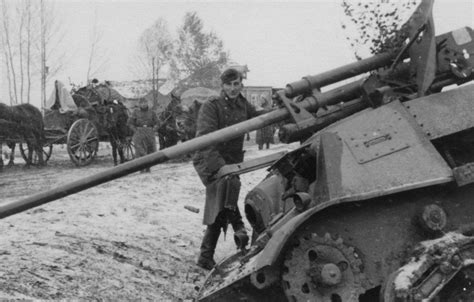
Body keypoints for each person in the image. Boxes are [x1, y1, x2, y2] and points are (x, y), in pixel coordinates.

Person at [193, 68, 260, 270]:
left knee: (221, 202)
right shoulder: (212, 106)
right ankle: (239, 230)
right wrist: (221, 169)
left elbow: (258, 116)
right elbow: (206, 140)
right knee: (226, 190)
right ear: (222, 85)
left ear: (241, 85)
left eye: (236, 84)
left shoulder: (242, 104)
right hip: (208, 158)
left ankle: (206, 256)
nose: (233, 88)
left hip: (230, 161)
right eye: (229, 84)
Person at [128, 99, 158, 173]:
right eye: (142, 103)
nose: (143, 104)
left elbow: (157, 122)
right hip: (139, 132)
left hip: (149, 131)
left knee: (151, 150)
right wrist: (135, 130)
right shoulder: (135, 112)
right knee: (140, 150)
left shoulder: (152, 112)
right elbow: (130, 123)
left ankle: (148, 167)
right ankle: (141, 168)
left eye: (145, 102)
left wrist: (154, 129)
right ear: (139, 104)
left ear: (147, 103)